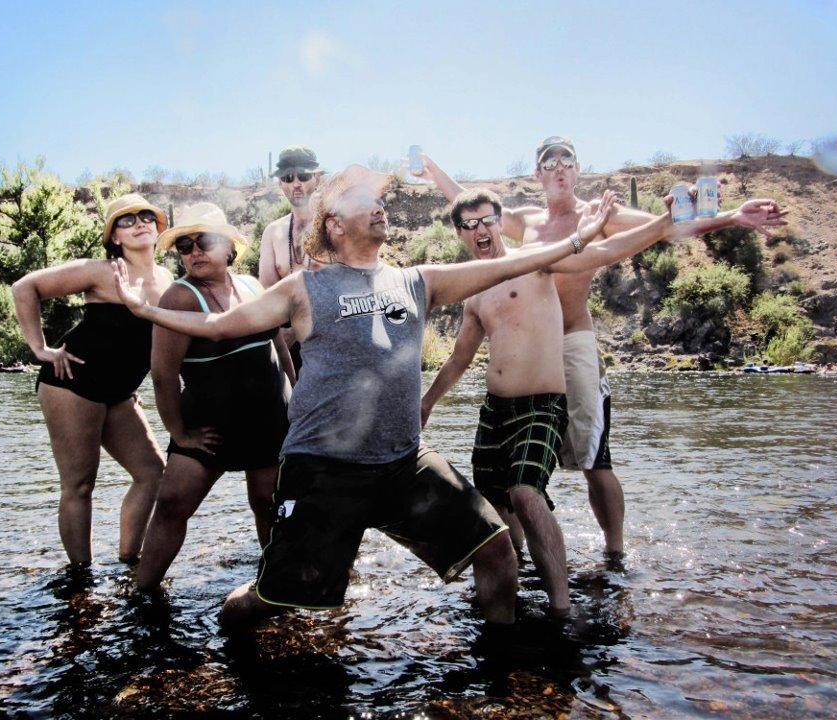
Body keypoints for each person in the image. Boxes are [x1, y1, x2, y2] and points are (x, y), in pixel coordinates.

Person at [112, 165, 624, 632]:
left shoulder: (416, 280)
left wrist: (576, 238)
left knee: (495, 552)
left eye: (380, 202)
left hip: (404, 464)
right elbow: (219, 324)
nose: (380, 208)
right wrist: (146, 310)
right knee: (279, 597)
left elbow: (515, 265)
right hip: (324, 471)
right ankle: (232, 621)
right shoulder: (305, 289)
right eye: (364, 202)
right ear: (334, 224)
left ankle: (500, 671)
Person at [420, 187, 785, 613]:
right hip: (494, 410)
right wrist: (427, 402)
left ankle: (561, 607)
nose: (480, 229)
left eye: (487, 220)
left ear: (501, 222)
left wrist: (679, 220)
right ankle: (517, 585)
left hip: (540, 402)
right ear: (461, 235)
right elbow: (461, 356)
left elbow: (608, 250)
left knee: (525, 493)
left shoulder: (538, 260)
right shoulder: (476, 288)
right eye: (470, 225)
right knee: (498, 504)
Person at [136, 203, 291, 590]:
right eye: (184, 246)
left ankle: (273, 586)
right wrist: (180, 433)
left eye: (203, 241)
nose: (194, 251)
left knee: (268, 504)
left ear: (228, 248)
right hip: (209, 426)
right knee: (172, 504)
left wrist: (297, 392)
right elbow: (163, 374)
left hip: (268, 421)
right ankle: (143, 593)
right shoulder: (179, 298)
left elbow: (280, 346)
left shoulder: (253, 286)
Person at [12, 193, 173, 565]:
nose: (138, 223)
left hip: (120, 393)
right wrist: (40, 348)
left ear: (157, 227)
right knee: (80, 484)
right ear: (114, 236)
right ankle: (80, 578)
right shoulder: (101, 270)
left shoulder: (167, 279)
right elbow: (25, 287)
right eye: (126, 220)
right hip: (72, 383)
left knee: (152, 473)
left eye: (145, 216)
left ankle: (128, 559)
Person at [259, 145, 326, 378]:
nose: (296, 183)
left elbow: (341, 289)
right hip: (285, 339)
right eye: (288, 177)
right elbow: (268, 293)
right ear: (280, 183)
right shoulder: (272, 232)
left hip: (329, 337)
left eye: (303, 176)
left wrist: (296, 331)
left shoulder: (335, 226)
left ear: (317, 179)